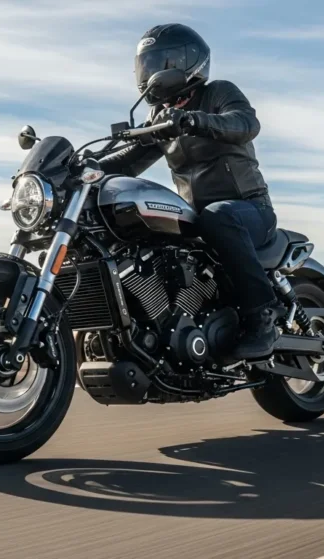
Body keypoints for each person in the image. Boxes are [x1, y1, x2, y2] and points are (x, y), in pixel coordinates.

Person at [99, 23, 280, 361]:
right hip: (200, 218)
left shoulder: (218, 93)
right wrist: (83, 165)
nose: (153, 72)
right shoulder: (159, 116)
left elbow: (245, 123)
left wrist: (194, 120)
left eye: (162, 63)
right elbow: (129, 160)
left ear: (189, 63)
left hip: (249, 210)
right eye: (148, 64)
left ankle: (262, 316)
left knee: (218, 216)